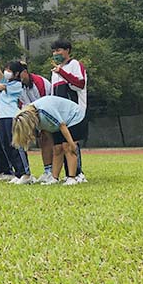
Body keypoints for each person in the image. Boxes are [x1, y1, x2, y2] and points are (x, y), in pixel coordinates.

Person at [0, 46, 33, 184]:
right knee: (6, 146)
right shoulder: (6, 80)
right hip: (3, 118)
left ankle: (26, 173)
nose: (6, 72)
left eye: (10, 70)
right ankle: (18, 173)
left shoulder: (16, 85)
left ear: (16, 73)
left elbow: (2, 87)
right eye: (6, 70)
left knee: (16, 145)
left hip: (12, 117)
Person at [12, 96, 86, 186]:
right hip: (59, 124)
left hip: (74, 117)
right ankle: (54, 178)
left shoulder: (44, 111)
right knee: (57, 149)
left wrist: (72, 144)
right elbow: (47, 132)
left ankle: (72, 178)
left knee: (67, 147)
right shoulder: (33, 116)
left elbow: (62, 125)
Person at [50, 39, 88, 183]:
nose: (55, 54)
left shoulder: (75, 65)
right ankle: (59, 176)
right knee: (59, 146)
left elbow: (80, 84)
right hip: (59, 114)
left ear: (67, 50)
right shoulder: (55, 71)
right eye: (54, 51)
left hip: (74, 113)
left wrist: (62, 73)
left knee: (70, 144)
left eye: (58, 50)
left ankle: (77, 174)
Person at [17, 62, 55, 183]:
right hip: (32, 114)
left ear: (24, 72)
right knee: (36, 139)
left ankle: (50, 171)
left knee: (46, 138)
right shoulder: (19, 86)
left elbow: (46, 102)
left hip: (47, 112)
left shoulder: (40, 82)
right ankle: (43, 170)